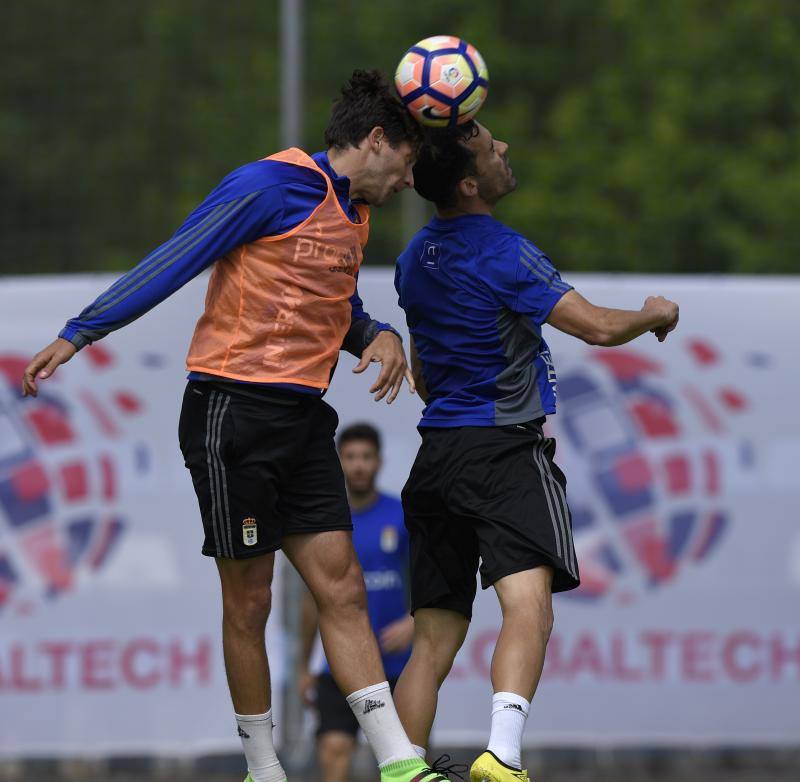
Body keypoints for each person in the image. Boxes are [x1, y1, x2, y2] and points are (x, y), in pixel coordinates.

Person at [21, 71, 453, 782]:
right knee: (249, 599)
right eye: (407, 164)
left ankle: (401, 763)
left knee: (341, 589)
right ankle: (263, 768)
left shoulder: (353, 212)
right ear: (376, 142)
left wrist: (375, 333)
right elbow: (177, 256)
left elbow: (325, 302)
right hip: (232, 413)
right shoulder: (268, 185)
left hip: (304, 418)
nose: (409, 182)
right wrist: (80, 332)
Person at [391, 121, 680, 782]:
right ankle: (503, 758)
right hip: (503, 452)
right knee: (530, 609)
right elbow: (601, 329)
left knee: (433, 638)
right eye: (493, 150)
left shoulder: (413, 259)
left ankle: (401, 770)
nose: (505, 152)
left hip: (436, 455)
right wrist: (654, 313)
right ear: (470, 184)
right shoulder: (503, 251)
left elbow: (424, 375)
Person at [298, 422, 414, 782]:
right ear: (338, 462)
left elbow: (431, 578)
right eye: (350, 457)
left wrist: (414, 621)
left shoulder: (402, 515)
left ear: (379, 462)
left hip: (397, 664)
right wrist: (303, 666)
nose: (359, 465)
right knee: (334, 749)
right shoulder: (326, 522)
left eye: (366, 457)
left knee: (404, 760)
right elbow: (309, 598)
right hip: (339, 662)